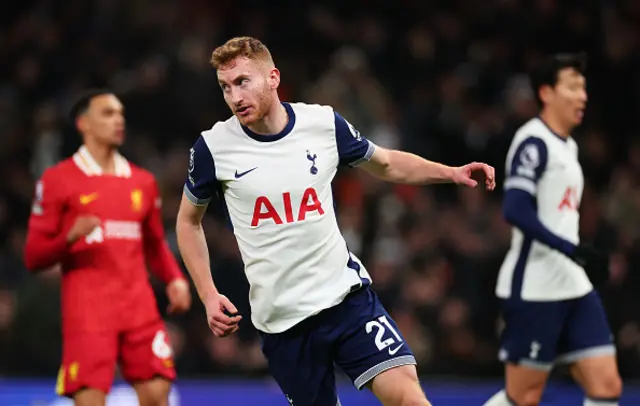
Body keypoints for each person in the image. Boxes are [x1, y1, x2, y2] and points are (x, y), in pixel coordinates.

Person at [176, 36, 495, 406]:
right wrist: (208, 294)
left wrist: (451, 173)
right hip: (282, 323)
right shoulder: (213, 148)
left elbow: (386, 163)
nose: (234, 97)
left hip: (345, 300)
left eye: (243, 82)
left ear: (273, 78)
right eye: (225, 87)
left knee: (408, 396)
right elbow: (188, 222)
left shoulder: (322, 123)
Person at [23, 90, 192, 406]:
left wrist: (174, 279)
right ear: (83, 123)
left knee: (158, 393)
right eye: (108, 114)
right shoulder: (59, 180)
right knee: (89, 400)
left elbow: (154, 243)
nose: (118, 120)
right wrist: (68, 237)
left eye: (120, 114)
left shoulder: (141, 181)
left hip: (138, 305)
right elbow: (34, 256)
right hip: (88, 310)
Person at [484, 53, 623, 406]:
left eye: (584, 88)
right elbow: (515, 209)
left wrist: (577, 252)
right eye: (573, 87)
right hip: (535, 286)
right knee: (524, 396)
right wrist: (571, 248)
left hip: (572, 283)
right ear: (546, 92)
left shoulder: (568, 146)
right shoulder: (533, 142)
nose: (583, 96)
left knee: (606, 386)